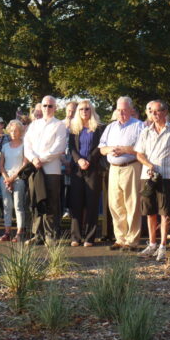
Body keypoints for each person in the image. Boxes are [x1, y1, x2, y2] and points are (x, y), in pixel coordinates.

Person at [135, 100, 170, 260]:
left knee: (165, 212)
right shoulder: (146, 131)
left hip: (166, 176)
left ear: (164, 112)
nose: (154, 114)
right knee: (149, 212)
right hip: (148, 176)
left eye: (157, 111)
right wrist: (149, 164)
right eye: (151, 111)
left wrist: (168, 163)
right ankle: (152, 244)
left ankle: (163, 245)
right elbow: (139, 154)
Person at [99, 96, 144, 251]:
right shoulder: (110, 127)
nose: (122, 113)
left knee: (132, 203)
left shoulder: (139, 126)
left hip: (131, 167)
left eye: (124, 110)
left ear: (131, 110)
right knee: (116, 204)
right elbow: (101, 148)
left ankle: (132, 240)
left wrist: (124, 149)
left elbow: (143, 148)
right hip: (113, 168)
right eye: (119, 110)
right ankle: (120, 238)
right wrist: (110, 149)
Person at [23, 96, 67, 244]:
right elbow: (27, 145)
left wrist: (41, 159)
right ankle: (38, 234)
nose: (47, 108)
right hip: (35, 169)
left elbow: (59, 147)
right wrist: (34, 159)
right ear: (40, 107)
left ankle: (50, 234)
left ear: (55, 108)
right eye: (44, 105)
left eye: (50, 106)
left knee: (51, 202)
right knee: (35, 201)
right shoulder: (34, 125)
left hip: (51, 170)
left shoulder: (59, 125)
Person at [68, 100, 105, 247]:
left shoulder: (99, 128)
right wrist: (79, 161)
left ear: (92, 111)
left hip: (93, 169)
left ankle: (90, 237)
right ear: (78, 111)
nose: (84, 111)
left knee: (92, 203)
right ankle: (75, 237)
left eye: (87, 109)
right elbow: (71, 147)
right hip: (77, 170)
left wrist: (88, 160)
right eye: (81, 109)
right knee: (76, 203)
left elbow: (100, 147)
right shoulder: (74, 128)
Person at [0, 120, 28, 242]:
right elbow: (1, 165)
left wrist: (13, 178)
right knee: (6, 205)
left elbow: (25, 163)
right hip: (5, 178)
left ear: (20, 132)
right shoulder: (5, 146)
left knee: (18, 205)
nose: (14, 133)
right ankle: (7, 232)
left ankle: (20, 232)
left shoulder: (25, 145)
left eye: (16, 130)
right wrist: (6, 178)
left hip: (18, 178)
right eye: (11, 130)